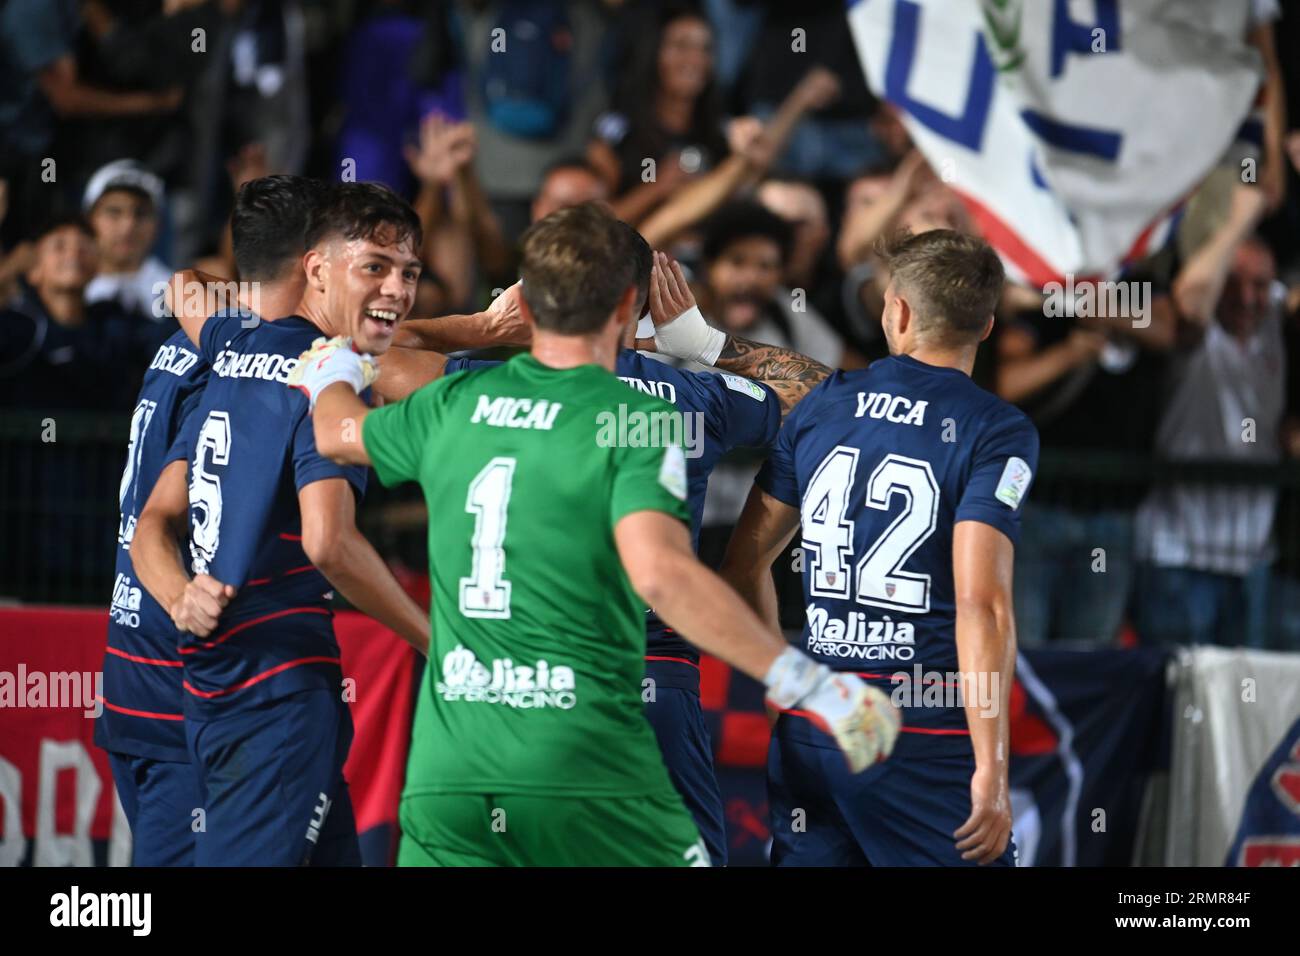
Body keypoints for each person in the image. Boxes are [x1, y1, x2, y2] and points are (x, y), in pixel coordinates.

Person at [291, 202, 900, 867]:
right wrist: (703, 344)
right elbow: (842, 407)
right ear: (630, 304)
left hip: (457, 751)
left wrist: (471, 329)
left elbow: (348, 404)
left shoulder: (458, 398)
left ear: (525, 298)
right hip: (600, 725)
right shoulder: (662, 413)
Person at [131, 181, 432, 867]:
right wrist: (439, 643)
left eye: (409, 273)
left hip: (215, 687)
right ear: (315, 268)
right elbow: (330, 543)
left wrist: (180, 594)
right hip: (277, 696)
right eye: (375, 269)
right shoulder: (328, 376)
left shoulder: (231, 345)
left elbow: (155, 521)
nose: (396, 290)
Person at [721, 229, 1038, 866]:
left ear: (897, 310)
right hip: (921, 734)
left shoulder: (823, 405)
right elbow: (984, 606)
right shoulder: (995, 429)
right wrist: (992, 768)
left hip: (818, 724)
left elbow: (745, 560)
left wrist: (784, 678)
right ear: (986, 326)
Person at [94, 174, 325, 866]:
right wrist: (183, 600)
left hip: (135, 671)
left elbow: (185, 286)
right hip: (194, 684)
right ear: (315, 263)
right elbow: (158, 525)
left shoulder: (189, 339)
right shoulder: (250, 364)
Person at [83, 160, 172, 320]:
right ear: (90, 220)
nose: (128, 226)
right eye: (114, 212)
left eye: (141, 213)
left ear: (158, 224)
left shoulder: (181, 296)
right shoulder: (66, 289)